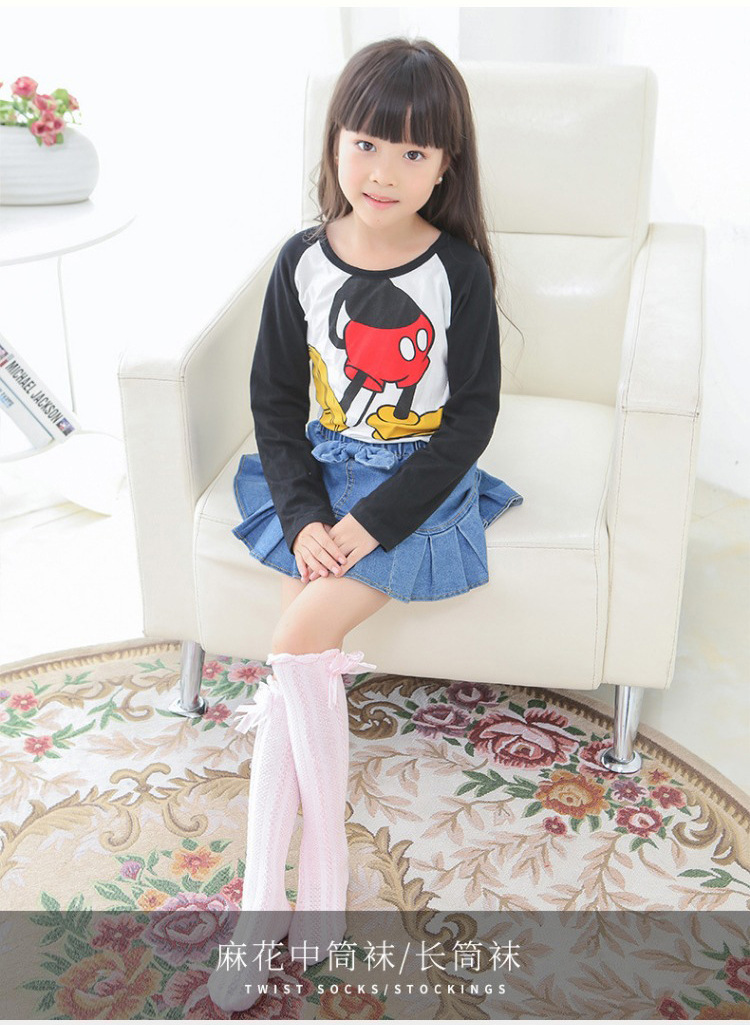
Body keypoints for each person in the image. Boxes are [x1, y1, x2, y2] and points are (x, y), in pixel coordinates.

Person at [207, 36, 524, 1013]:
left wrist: (372, 524)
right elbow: (274, 404)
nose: (384, 171)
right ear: (336, 140)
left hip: (418, 487)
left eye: (413, 152)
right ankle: (310, 900)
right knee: (301, 659)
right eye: (368, 143)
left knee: (293, 643)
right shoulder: (299, 260)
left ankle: (274, 908)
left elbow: (469, 419)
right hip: (321, 477)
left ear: (446, 165)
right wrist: (306, 515)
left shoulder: (457, 270)